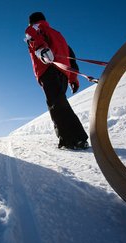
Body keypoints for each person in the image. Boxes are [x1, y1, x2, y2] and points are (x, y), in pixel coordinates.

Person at [24, 12, 88, 150]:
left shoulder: (34, 29)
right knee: (61, 103)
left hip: (48, 69)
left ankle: (71, 140)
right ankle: (78, 139)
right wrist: (73, 78)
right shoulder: (57, 34)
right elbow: (70, 55)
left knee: (56, 105)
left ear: (32, 21)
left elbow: (31, 34)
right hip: (63, 72)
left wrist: (42, 49)